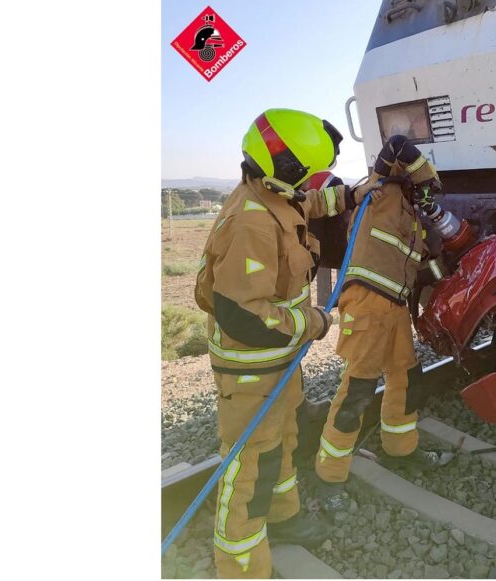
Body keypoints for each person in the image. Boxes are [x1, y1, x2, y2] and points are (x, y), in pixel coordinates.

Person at [194, 108, 376, 578]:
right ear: (288, 171)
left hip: (277, 364)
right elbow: (243, 317)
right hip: (251, 369)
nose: (310, 188)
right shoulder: (250, 223)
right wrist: (313, 321)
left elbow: (310, 205)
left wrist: (354, 194)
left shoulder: (274, 195)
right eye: (307, 176)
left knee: (283, 442)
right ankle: (240, 565)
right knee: (250, 464)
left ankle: (284, 519)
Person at [313, 135, 451, 510]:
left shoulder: (413, 220)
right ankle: (330, 474)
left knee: (407, 379)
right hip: (367, 304)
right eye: (424, 189)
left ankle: (400, 450)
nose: (428, 198)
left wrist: (451, 270)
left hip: (394, 310)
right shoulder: (381, 192)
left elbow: (425, 269)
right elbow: (397, 144)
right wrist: (426, 181)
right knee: (357, 390)